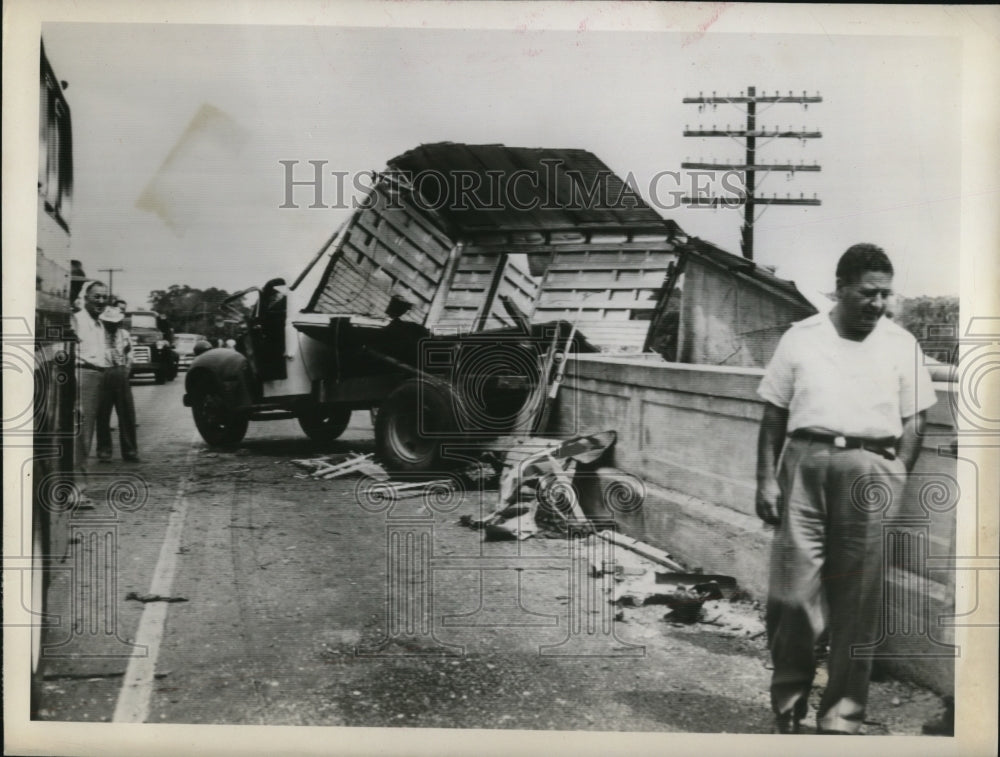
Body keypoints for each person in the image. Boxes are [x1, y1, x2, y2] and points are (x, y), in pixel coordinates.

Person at [755, 244, 936, 735]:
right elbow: (773, 411)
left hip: (871, 472)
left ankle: (842, 715)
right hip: (805, 465)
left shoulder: (901, 343)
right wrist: (766, 478)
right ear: (840, 289)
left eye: (885, 294)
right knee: (791, 595)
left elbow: (916, 418)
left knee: (858, 602)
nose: (878, 303)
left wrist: (898, 474)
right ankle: (788, 702)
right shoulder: (801, 337)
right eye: (867, 293)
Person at [71, 280, 112, 477]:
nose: (101, 301)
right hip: (83, 377)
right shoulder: (77, 320)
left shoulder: (99, 324)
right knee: (81, 435)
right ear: (86, 298)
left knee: (87, 433)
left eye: (105, 297)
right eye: (97, 296)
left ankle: (77, 486)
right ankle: (76, 489)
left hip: (98, 377)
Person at [95, 305, 139, 462]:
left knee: (127, 414)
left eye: (115, 323)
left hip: (120, 373)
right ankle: (104, 450)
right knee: (102, 415)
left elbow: (130, 354)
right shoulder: (98, 334)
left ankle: (130, 451)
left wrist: (126, 369)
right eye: (109, 323)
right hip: (103, 372)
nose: (112, 326)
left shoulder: (124, 335)